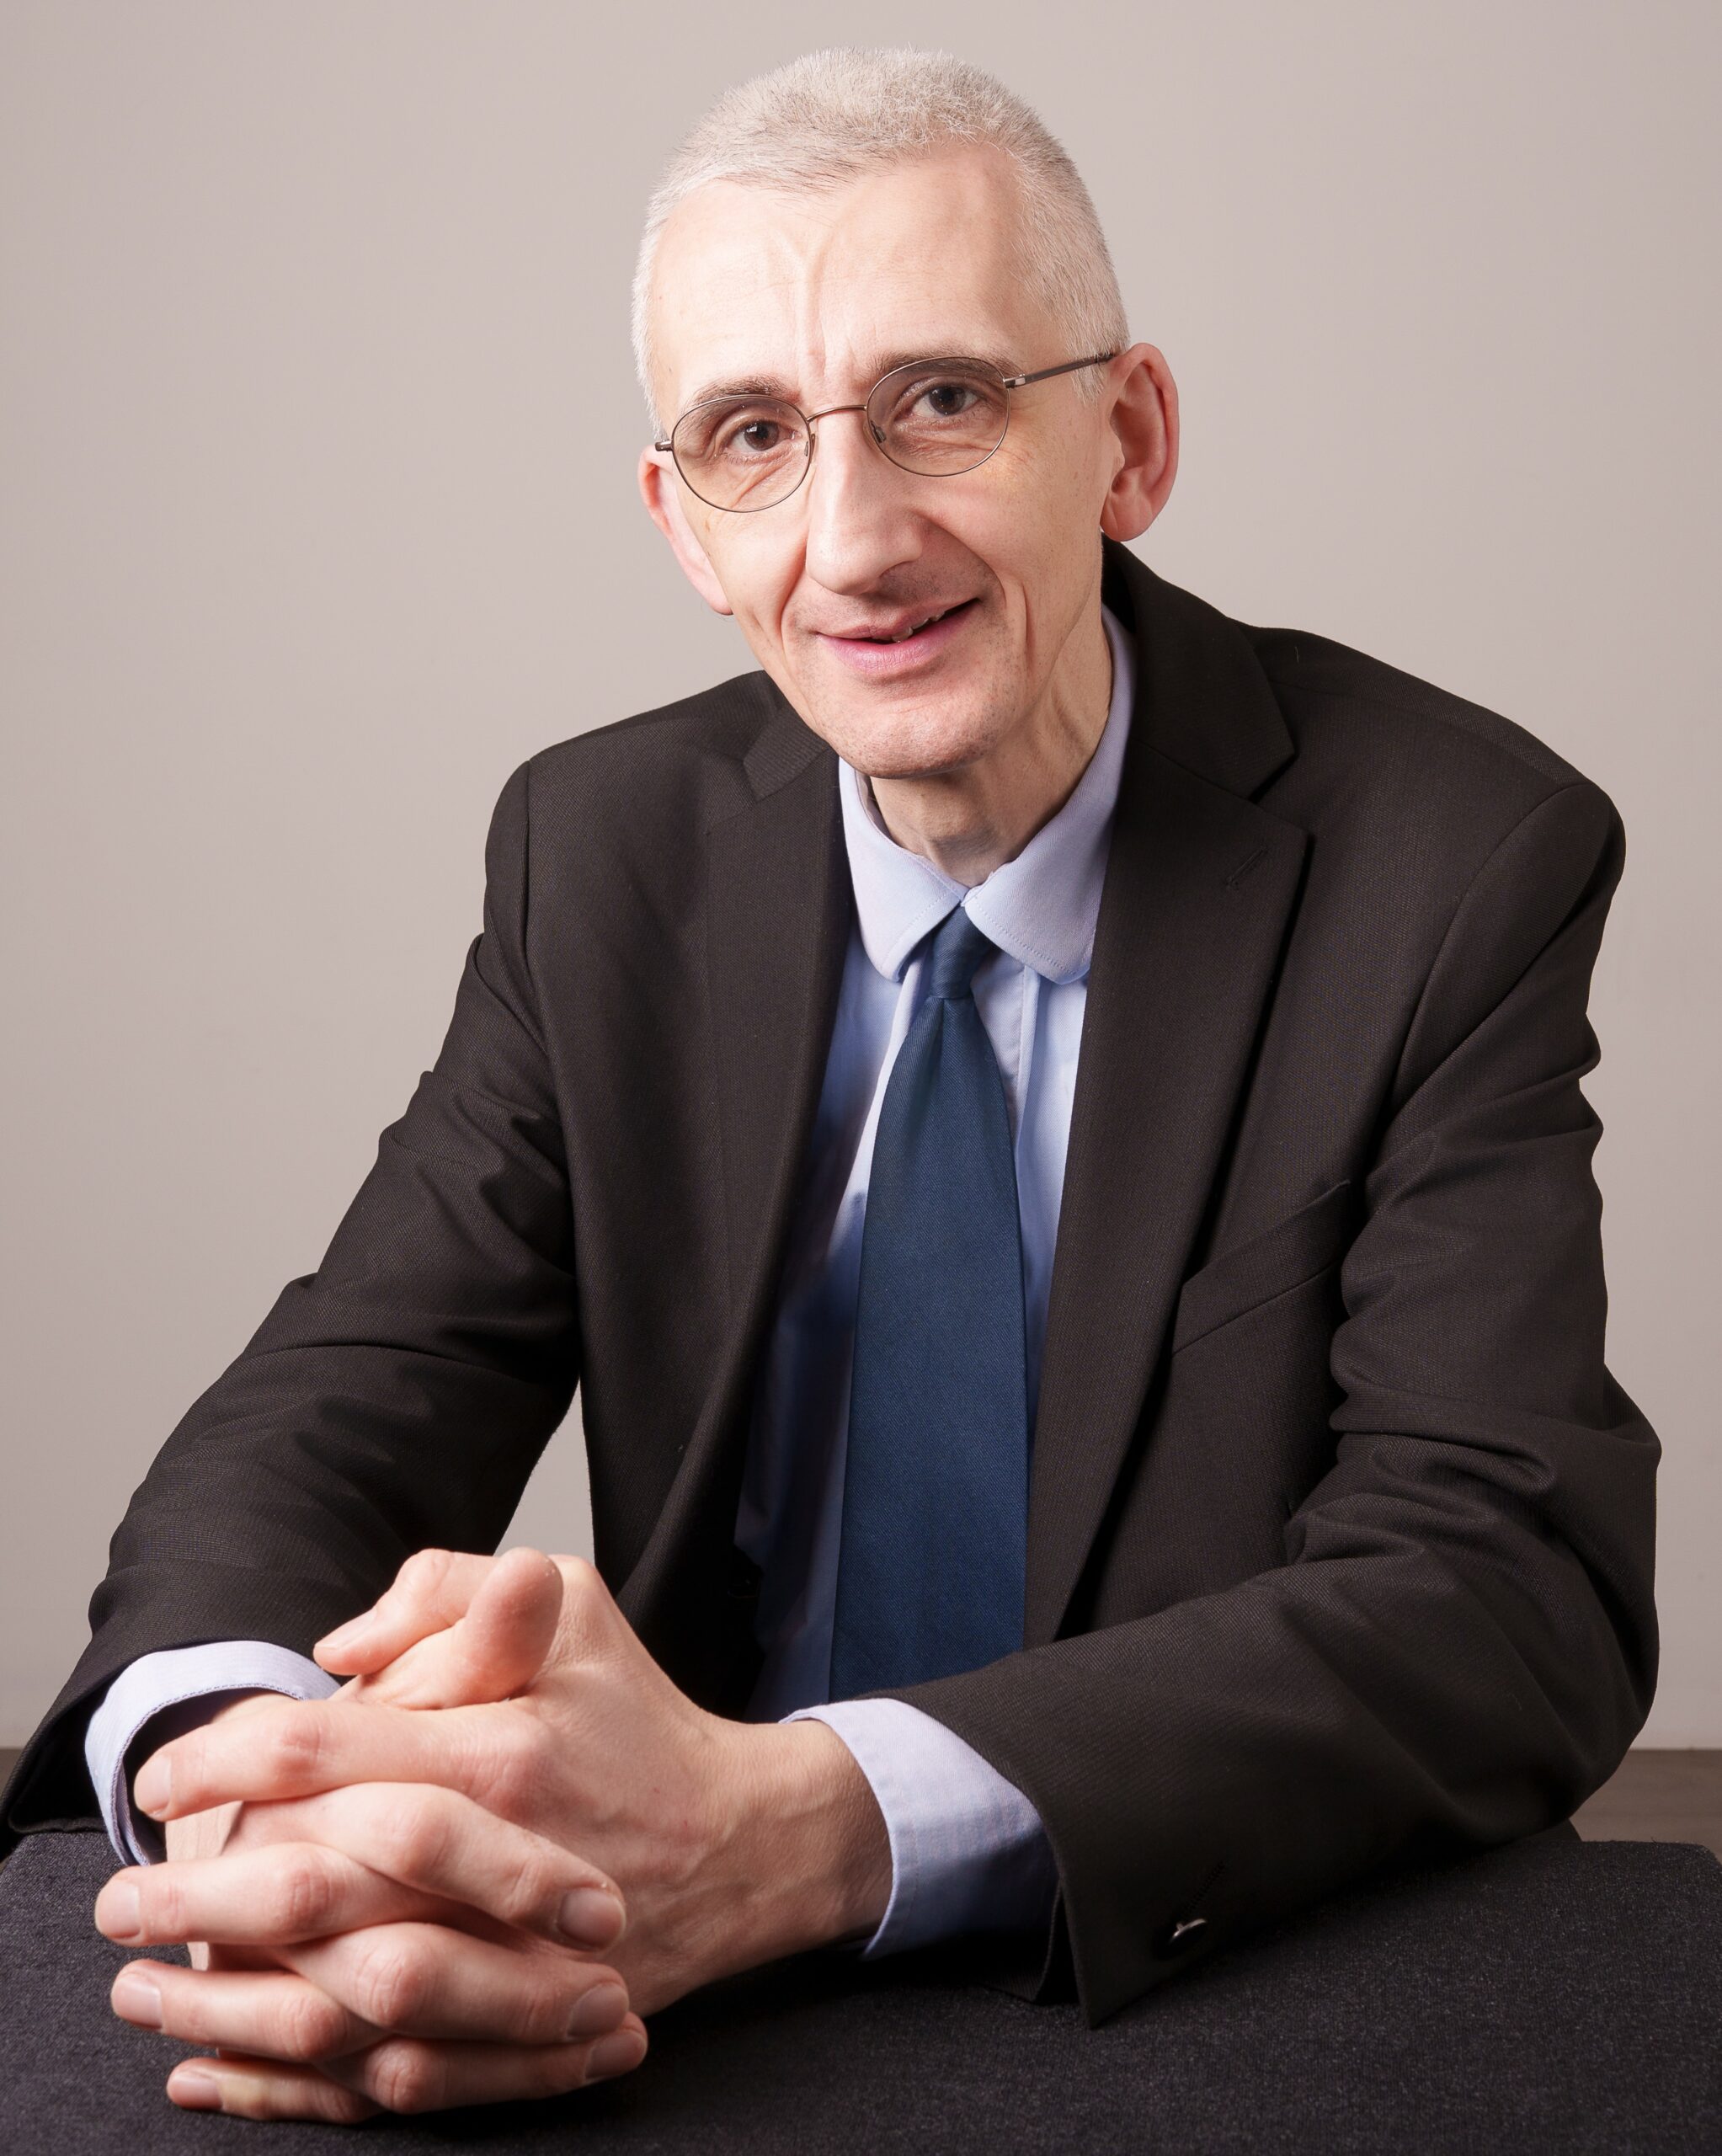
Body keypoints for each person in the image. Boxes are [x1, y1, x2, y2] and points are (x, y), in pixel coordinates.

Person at [0, 45, 1658, 2126]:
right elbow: (346, 1392)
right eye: (754, 436)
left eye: (944, 398)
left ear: (1130, 439)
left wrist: (795, 1825)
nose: (854, 540)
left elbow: (1505, 1586)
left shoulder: (1453, 856)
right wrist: (253, 1788)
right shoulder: (603, 853)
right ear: (683, 527)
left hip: (1207, 1974)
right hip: (676, 2009)